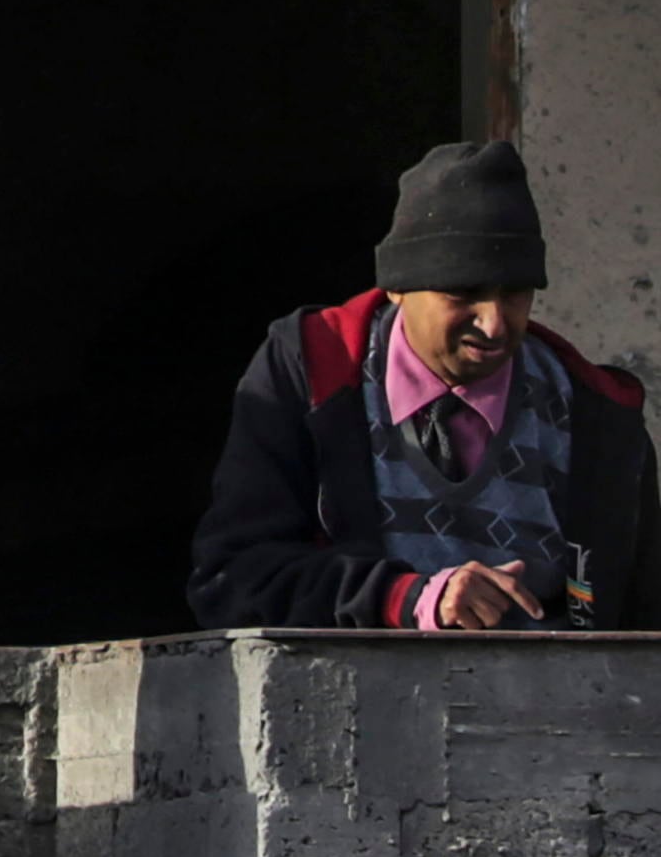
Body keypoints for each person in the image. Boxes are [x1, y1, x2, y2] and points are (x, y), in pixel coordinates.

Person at [189, 138, 658, 631]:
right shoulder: (309, 377)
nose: (495, 324)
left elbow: (642, 626)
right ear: (395, 286)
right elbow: (231, 580)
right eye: (464, 292)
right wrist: (405, 599)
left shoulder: (597, 417)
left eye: (516, 292)